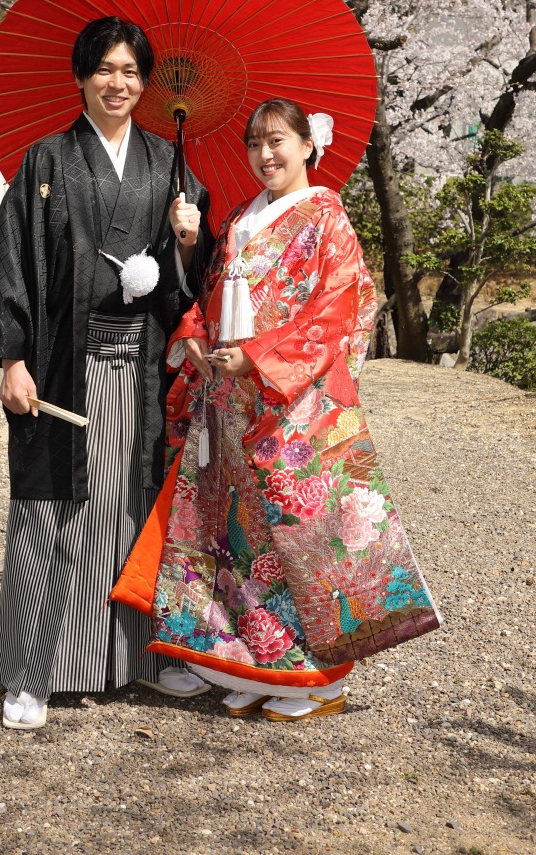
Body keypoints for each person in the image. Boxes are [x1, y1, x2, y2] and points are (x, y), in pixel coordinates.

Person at [113, 98, 440, 721]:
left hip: (290, 406)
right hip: (229, 400)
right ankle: (260, 664)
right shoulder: (242, 215)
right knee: (240, 539)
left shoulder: (326, 217)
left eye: (278, 141)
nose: (266, 154)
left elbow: (338, 309)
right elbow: (209, 294)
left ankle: (321, 681)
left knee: (300, 541)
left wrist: (259, 357)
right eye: (255, 143)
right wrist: (196, 332)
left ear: (308, 145)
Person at [0, 16, 212, 728]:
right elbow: (13, 263)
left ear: (145, 83)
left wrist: (187, 243)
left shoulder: (170, 165)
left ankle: (143, 657)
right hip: (64, 366)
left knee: (132, 506)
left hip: (141, 372)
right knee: (53, 512)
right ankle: (31, 673)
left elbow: (190, 282)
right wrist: (11, 360)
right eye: (105, 69)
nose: (117, 83)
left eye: (131, 72)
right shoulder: (48, 161)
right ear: (81, 76)